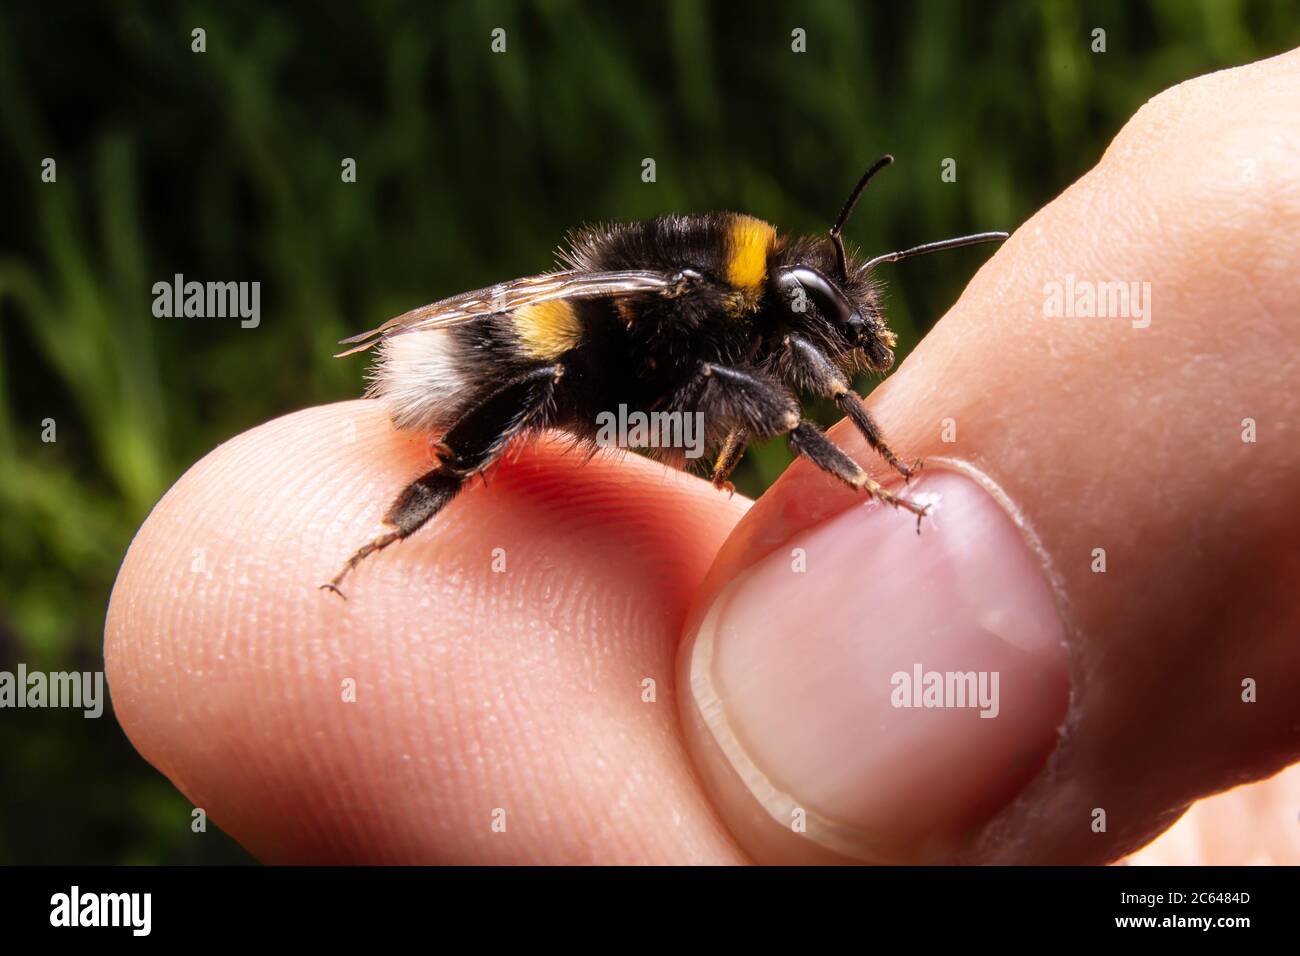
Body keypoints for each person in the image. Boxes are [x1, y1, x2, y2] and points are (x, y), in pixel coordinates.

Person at [105, 48, 1300, 864]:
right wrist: (884, 482)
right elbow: (762, 396)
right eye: (824, 317)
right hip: (505, 363)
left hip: (547, 370)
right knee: (562, 383)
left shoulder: (732, 320)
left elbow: (750, 390)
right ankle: (407, 514)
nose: (845, 345)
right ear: (764, 295)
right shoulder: (701, 317)